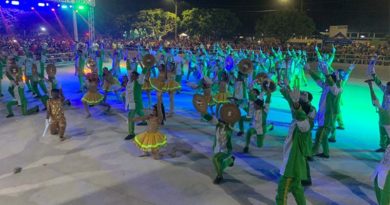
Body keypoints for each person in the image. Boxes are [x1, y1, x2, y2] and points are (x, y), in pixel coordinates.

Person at [275, 87, 311, 205]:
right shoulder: (296, 120)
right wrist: (284, 87)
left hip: (292, 165)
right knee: (296, 189)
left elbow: (300, 115)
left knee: (282, 191)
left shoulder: (304, 125)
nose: (292, 109)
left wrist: (296, 104)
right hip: (293, 164)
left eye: (295, 108)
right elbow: (293, 106)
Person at [310, 62, 341, 158]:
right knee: (322, 136)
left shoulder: (336, 90)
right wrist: (309, 70)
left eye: (327, 80)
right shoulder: (326, 86)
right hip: (322, 115)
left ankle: (312, 153)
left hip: (328, 117)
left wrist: (327, 74)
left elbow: (334, 86)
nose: (325, 81)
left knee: (320, 135)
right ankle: (326, 153)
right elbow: (318, 80)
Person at [132, 92, 167, 160]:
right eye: (153, 109)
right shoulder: (150, 116)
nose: (152, 111)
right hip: (147, 133)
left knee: (155, 156)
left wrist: (159, 97)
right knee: (144, 143)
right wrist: (133, 120)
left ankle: (156, 153)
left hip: (154, 135)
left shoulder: (159, 118)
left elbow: (159, 107)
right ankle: (146, 152)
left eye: (154, 110)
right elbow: (141, 118)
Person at [368, 57, 390, 152]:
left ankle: (388, 147)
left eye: (389, 87)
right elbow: (378, 82)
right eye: (387, 87)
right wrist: (373, 71)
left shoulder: (387, 91)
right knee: (382, 131)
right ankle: (383, 146)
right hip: (382, 114)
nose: (387, 88)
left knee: (388, 132)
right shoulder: (385, 90)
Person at [125, 70, 147, 140]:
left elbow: (143, 73)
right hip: (131, 102)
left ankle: (131, 133)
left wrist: (146, 64)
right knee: (139, 112)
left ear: (137, 77)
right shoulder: (129, 82)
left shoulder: (139, 82)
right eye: (131, 75)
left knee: (130, 116)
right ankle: (144, 121)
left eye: (133, 75)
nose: (131, 76)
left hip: (136, 102)